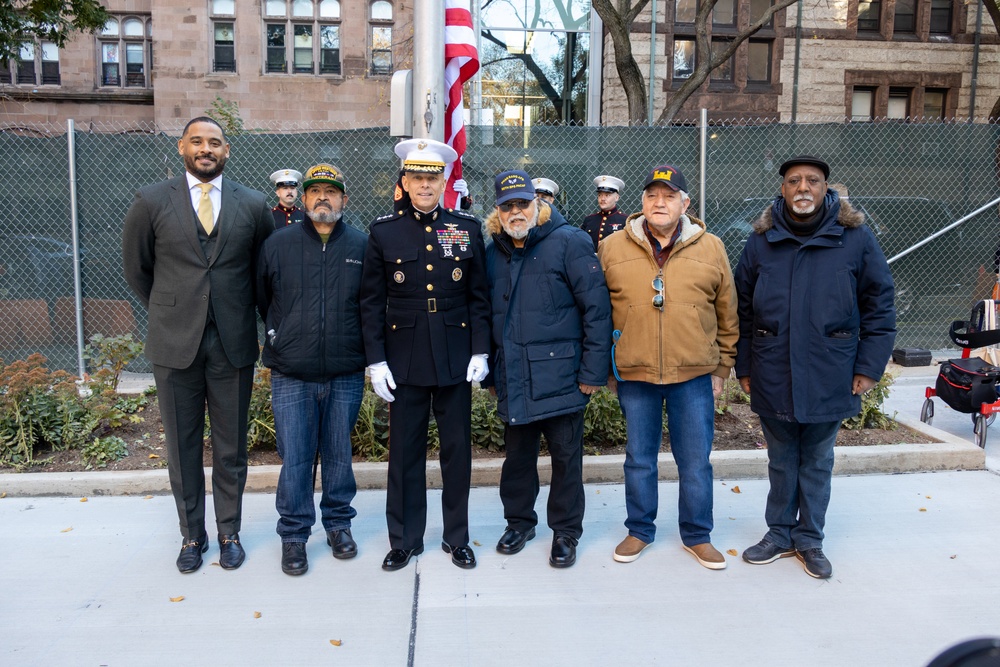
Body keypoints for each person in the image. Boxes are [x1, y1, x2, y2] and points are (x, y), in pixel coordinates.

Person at [122, 116, 273, 574]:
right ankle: (192, 535)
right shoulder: (151, 201)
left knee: (230, 448)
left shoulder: (253, 203)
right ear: (182, 148)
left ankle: (229, 532)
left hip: (233, 343)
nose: (205, 149)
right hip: (174, 344)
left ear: (227, 151)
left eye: (215, 142)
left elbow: (263, 272)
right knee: (182, 448)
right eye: (197, 142)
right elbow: (137, 269)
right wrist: (173, 309)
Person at [734, 155, 896, 579]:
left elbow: (879, 307)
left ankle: (810, 539)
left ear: (827, 188)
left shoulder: (855, 238)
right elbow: (742, 311)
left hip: (831, 369)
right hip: (773, 369)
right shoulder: (761, 242)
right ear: (783, 190)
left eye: (812, 181)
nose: (803, 187)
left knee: (818, 460)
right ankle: (779, 534)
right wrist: (745, 366)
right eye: (794, 181)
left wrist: (869, 366)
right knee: (782, 458)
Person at [597, 164, 737, 570]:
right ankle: (639, 530)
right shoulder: (612, 247)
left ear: (685, 204)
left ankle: (697, 535)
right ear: (641, 202)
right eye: (652, 195)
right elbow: (599, 313)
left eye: (669, 195)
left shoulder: (711, 247)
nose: (660, 202)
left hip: (692, 375)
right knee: (639, 458)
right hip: (635, 374)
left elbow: (728, 312)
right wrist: (607, 366)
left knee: (695, 460)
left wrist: (722, 368)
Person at [360, 138, 491, 572]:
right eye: (416, 177)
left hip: (455, 355)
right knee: (405, 454)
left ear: (445, 181)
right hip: (405, 358)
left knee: (458, 453)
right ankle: (404, 539)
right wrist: (375, 359)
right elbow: (371, 302)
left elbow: (478, 299)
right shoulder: (383, 232)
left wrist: (480, 350)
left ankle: (456, 537)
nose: (424, 185)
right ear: (405, 181)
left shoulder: (466, 228)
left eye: (432, 177)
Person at [482, 170, 612, 568]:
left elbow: (597, 310)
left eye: (523, 203)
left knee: (565, 458)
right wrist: (491, 373)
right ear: (498, 212)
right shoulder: (494, 251)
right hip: (514, 375)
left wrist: (593, 373)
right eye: (507, 206)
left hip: (562, 377)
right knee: (517, 459)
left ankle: (566, 531)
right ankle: (519, 523)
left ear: (537, 204)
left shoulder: (569, 241)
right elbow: (489, 315)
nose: (516, 212)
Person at [256, 163, 367, 576]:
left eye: (332, 191)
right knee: (297, 457)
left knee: (339, 454)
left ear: (344, 200)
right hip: (292, 371)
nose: (324, 197)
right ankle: (294, 535)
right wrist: (279, 333)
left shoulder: (361, 244)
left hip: (344, 370)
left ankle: (339, 525)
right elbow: (262, 295)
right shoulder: (278, 244)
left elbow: (370, 304)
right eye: (315, 191)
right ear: (303, 200)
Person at [582, 175, 626, 251]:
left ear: (617, 197)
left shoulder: (624, 220)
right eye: (600, 195)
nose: (602, 199)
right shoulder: (589, 220)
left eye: (607, 195)